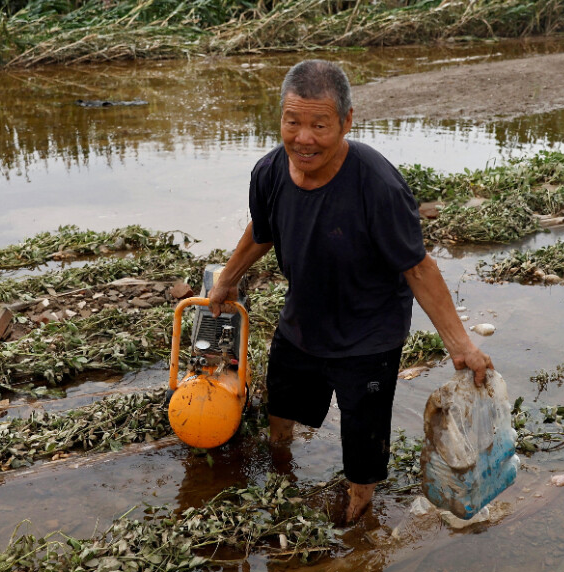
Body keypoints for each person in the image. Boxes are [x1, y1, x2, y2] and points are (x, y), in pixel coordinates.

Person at [209, 59, 492, 524]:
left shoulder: (377, 185)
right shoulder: (269, 172)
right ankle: (283, 483)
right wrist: (227, 278)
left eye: (320, 125)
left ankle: (359, 517)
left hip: (369, 334)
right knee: (280, 413)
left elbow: (418, 268)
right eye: (293, 122)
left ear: (346, 122)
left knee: (363, 449)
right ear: (280, 117)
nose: (304, 138)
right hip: (303, 319)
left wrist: (461, 345)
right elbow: (262, 231)